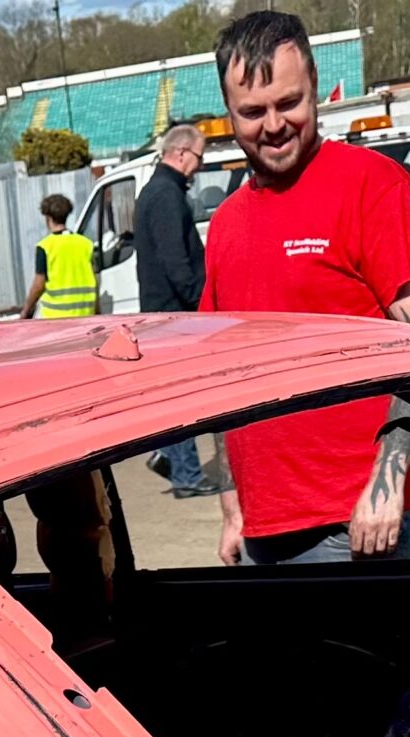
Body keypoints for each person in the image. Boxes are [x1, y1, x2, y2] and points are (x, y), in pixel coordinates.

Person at [198, 10, 410, 565]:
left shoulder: (373, 187)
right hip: (265, 528)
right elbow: (221, 372)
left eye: (289, 102)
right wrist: (232, 504)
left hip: (360, 525)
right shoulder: (227, 224)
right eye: (252, 111)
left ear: (314, 86)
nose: (273, 125)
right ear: (229, 111)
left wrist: (387, 482)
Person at [136, 122, 223, 497]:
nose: (200, 166)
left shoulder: (155, 190)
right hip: (174, 315)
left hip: (162, 312)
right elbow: (176, 261)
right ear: (182, 153)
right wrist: (199, 302)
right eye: (199, 157)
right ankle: (185, 473)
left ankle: (171, 460)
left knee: (173, 395)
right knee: (183, 396)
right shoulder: (166, 195)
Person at [23, 195, 97, 319]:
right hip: (85, 313)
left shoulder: (45, 246)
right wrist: (98, 312)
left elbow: (39, 284)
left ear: (48, 218)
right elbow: (94, 279)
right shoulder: (86, 244)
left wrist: (26, 310)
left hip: (57, 317)